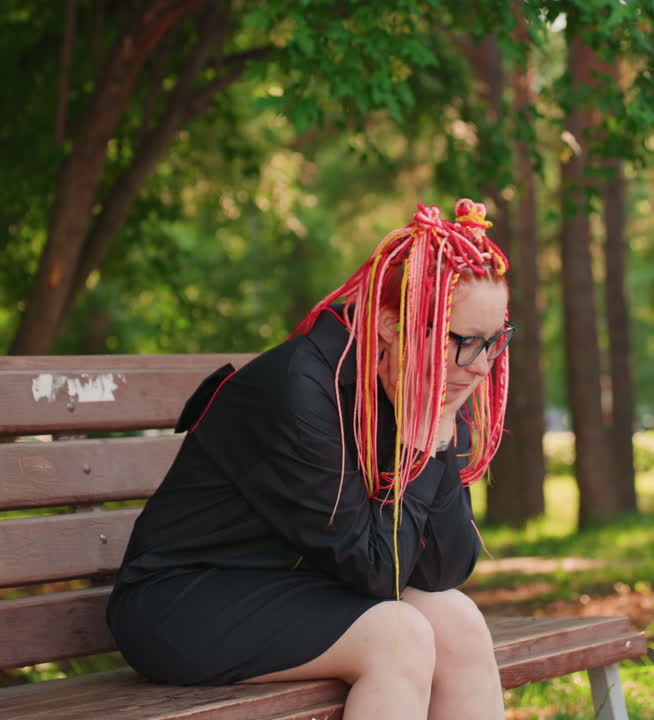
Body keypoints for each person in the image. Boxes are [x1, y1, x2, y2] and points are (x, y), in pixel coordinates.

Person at [107, 199, 514, 719]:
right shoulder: (300, 392)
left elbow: (445, 568)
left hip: (297, 584)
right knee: (399, 636)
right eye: (465, 342)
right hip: (185, 602)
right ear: (391, 324)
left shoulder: (418, 383)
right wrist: (420, 438)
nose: (481, 366)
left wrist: (436, 437)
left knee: (457, 620)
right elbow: (377, 572)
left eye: (495, 342)